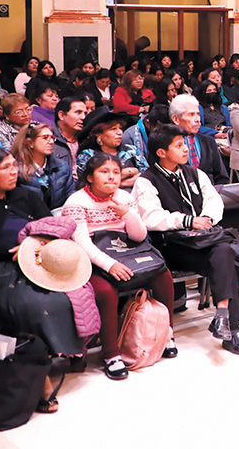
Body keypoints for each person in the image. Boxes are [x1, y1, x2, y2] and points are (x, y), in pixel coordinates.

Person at [133, 125, 239, 356]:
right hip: (172, 246)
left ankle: (224, 319)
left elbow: (214, 201)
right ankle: (232, 326)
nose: (185, 150)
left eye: (184, 144)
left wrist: (207, 218)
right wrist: (189, 221)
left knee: (223, 251)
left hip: (203, 241)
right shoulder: (146, 181)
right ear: (161, 152)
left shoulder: (194, 173)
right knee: (223, 252)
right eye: (178, 146)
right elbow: (151, 217)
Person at [0, 147, 83, 414]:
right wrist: (9, 252)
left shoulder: (26, 194)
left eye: (14, 165)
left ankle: (47, 361)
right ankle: (36, 378)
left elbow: (49, 224)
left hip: (34, 259)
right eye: (4, 168)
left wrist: (34, 246)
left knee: (58, 299)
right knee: (16, 303)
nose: (13, 172)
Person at [62, 153, 178, 380]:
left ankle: (166, 334)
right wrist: (110, 265)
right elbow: (82, 242)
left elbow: (139, 235)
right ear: (89, 178)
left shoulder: (124, 197)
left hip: (126, 252)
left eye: (116, 172)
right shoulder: (76, 202)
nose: (112, 177)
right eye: (104, 172)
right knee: (105, 292)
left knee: (162, 275)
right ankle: (111, 354)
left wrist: (128, 214)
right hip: (93, 259)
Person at [76, 109, 147, 189]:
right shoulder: (88, 156)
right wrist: (131, 171)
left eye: (120, 128)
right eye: (113, 129)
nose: (120, 132)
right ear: (99, 134)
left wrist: (113, 182)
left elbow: (146, 176)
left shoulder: (131, 150)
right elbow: (90, 182)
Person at [169, 94, 229, 186]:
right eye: (191, 115)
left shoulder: (209, 142)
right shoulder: (167, 145)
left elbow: (222, 178)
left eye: (198, 114)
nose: (197, 120)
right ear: (176, 119)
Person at [53, 96, 88, 180]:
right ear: (61, 115)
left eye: (85, 113)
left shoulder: (85, 139)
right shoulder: (49, 139)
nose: (83, 117)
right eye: (78, 112)